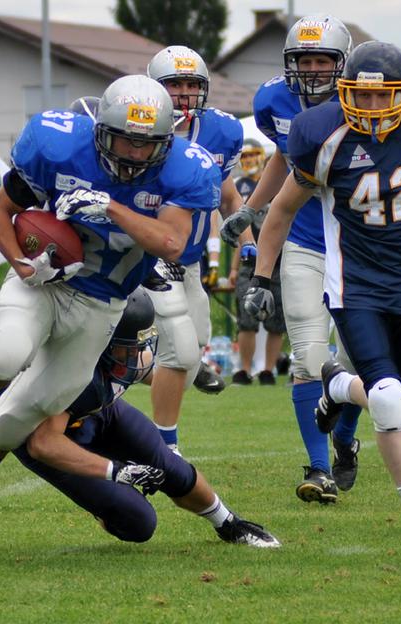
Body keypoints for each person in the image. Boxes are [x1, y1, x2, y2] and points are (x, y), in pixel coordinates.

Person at [0, 74, 221, 552]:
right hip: (46, 283)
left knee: (12, 426)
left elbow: (169, 241)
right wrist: (23, 265)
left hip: (101, 302)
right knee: (2, 357)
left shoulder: (184, 169)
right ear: (100, 132)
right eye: (123, 140)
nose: (132, 154)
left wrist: (109, 206)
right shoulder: (58, 145)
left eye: (145, 144)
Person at [245, 41, 401, 538]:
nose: (371, 107)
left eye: (383, 96)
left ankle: (337, 386)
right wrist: (261, 277)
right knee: (389, 401)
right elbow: (282, 211)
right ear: (344, 91)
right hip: (356, 288)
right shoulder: (322, 133)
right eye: (360, 96)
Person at [0, 291, 280, 551]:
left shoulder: (122, 347)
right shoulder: (74, 373)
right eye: (128, 349)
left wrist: (191, 370)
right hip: (48, 436)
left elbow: (147, 365)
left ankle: (229, 523)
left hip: (102, 414)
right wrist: (115, 471)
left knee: (170, 467)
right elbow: (45, 443)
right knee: (138, 524)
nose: (137, 356)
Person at [221, 15, 362, 503]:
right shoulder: (273, 100)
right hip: (304, 240)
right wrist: (252, 210)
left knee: (356, 360)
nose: (314, 69)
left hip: (360, 247)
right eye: (305, 60)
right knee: (308, 357)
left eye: (324, 60)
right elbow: (285, 155)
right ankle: (319, 468)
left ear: (342, 63)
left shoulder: (365, 101)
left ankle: (344, 438)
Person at [143, 45, 249, 453]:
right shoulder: (138, 128)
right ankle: (164, 444)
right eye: (174, 84)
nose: (184, 94)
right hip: (148, 256)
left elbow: (228, 198)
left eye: (191, 85)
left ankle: (125, 371)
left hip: (189, 259)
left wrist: (249, 243)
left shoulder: (221, 131)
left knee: (197, 341)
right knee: (181, 352)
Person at [230, 139, 285, 385]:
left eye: (254, 155)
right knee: (247, 318)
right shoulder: (240, 187)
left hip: (279, 259)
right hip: (250, 260)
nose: (250, 161)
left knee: (276, 321)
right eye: (246, 156)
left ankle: (267, 370)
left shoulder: (281, 182)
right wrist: (233, 267)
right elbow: (242, 231)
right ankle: (244, 369)